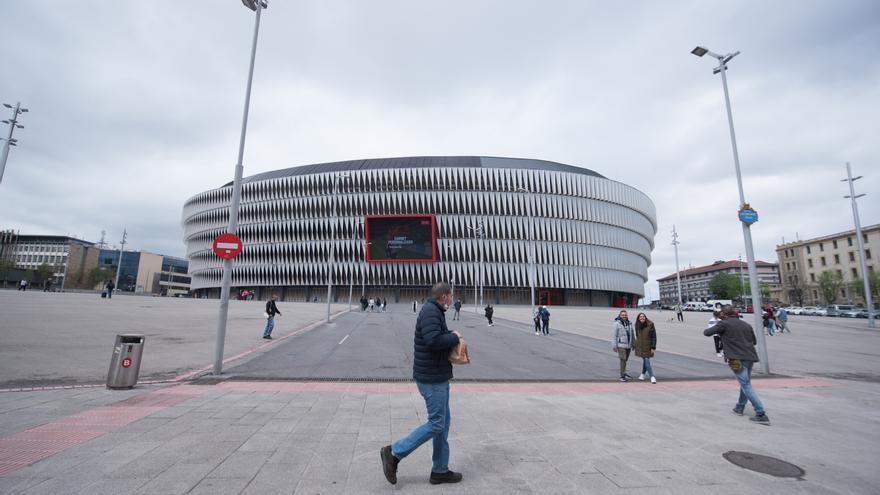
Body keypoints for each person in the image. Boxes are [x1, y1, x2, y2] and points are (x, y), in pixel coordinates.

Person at [381, 282, 463, 486]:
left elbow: (434, 336)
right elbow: (433, 341)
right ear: (443, 296)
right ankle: (394, 452)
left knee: (442, 425)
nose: (452, 299)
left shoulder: (434, 312)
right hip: (432, 379)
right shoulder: (430, 312)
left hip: (436, 376)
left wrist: (451, 334)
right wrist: (454, 337)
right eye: (450, 295)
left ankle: (440, 471)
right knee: (436, 423)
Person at [703, 305, 770, 424]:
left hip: (736, 359)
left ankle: (760, 413)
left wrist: (720, 324)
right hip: (749, 357)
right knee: (745, 383)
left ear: (725, 314)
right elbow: (753, 341)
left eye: (721, 313)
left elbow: (707, 332)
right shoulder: (746, 325)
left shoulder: (724, 324)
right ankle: (739, 407)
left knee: (746, 385)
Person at [634, 313, 657, 383]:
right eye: (640, 317)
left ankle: (652, 376)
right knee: (645, 360)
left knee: (646, 360)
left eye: (643, 316)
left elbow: (654, 337)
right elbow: (637, 335)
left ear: (645, 317)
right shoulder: (637, 325)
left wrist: (653, 347)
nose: (642, 318)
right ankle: (643, 374)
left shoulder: (651, 324)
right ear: (638, 318)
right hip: (640, 346)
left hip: (648, 346)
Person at [612, 310, 634, 382]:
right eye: (623, 315)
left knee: (625, 360)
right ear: (620, 315)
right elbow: (614, 335)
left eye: (625, 315)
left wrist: (633, 344)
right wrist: (614, 345)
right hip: (621, 345)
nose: (624, 316)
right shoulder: (616, 323)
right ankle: (622, 376)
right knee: (623, 359)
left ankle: (624, 372)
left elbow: (632, 334)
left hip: (628, 345)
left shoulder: (629, 323)